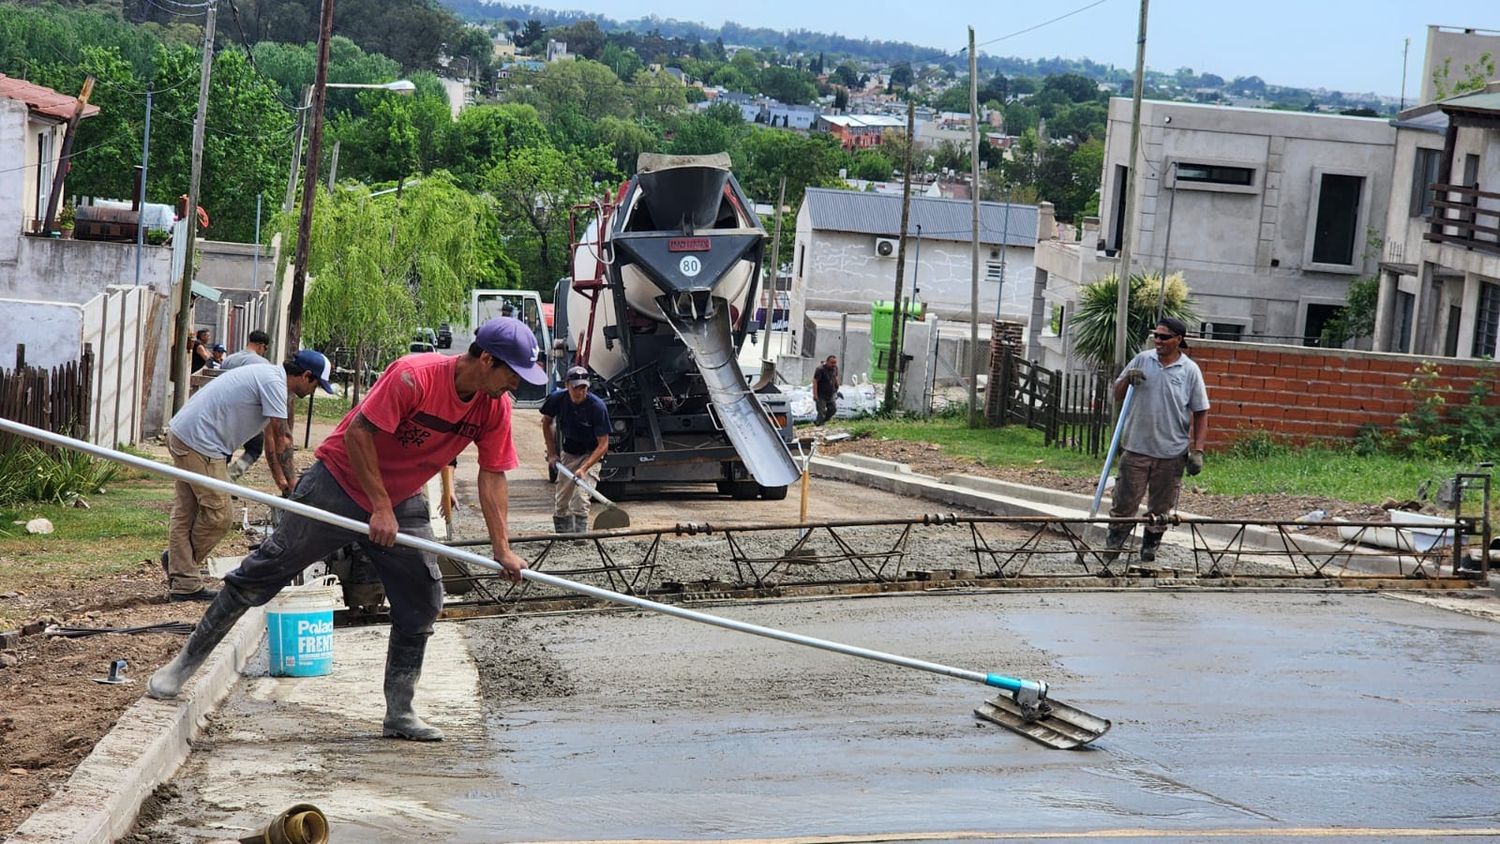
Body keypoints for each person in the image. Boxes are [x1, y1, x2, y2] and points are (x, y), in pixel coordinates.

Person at [147, 318, 544, 744]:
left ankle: (400, 712)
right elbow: (358, 433)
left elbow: (493, 476)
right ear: (486, 359)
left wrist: (503, 548)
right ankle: (182, 667)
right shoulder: (414, 377)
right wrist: (378, 506)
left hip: (403, 497)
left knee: (422, 599)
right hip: (338, 481)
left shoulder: (494, 406)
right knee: (264, 572)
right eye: (512, 375)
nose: (515, 387)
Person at [162, 351, 329, 601]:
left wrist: (283, 484)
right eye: (317, 384)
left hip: (187, 435)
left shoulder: (270, 378)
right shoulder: (274, 383)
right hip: (200, 444)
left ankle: (183, 580)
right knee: (219, 516)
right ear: (306, 375)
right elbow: (284, 438)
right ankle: (181, 565)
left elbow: (271, 443)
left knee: (188, 512)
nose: (314, 391)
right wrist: (296, 485)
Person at [1104, 317, 1210, 564]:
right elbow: (1117, 395)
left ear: (1178, 340)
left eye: (1164, 337)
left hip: (1171, 452)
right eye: (1156, 335)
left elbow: (1201, 411)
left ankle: (1150, 548)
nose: (1158, 341)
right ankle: (1113, 546)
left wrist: (1199, 450)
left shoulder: (1190, 370)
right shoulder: (1143, 360)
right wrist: (1127, 379)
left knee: (1161, 508)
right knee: (1124, 503)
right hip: (1136, 448)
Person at [541, 365, 611, 534]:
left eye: (583, 388)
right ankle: (563, 533)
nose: (580, 392)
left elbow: (603, 444)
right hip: (570, 451)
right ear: (567, 385)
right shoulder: (557, 399)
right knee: (563, 496)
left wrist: (585, 468)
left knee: (581, 495)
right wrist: (552, 453)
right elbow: (546, 422)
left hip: (591, 454)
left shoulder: (597, 407)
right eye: (576, 388)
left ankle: (580, 536)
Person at [221, 330, 275, 480]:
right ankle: (230, 477)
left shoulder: (229, 360)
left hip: (224, 411)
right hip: (247, 413)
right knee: (255, 448)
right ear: (261, 346)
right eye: (265, 349)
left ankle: (218, 478)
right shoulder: (262, 364)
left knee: (225, 448)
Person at [812, 355, 840, 424]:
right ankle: (819, 424)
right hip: (821, 394)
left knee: (833, 409)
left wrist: (837, 386)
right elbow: (815, 382)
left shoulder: (835, 368)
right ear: (827, 362)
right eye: (832, 363)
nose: (833, 364)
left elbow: (835, 377)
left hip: (831, 393)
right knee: (821, 411)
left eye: (835, 363)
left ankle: (823, 420)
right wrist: (815, 394)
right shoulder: (820, 369)